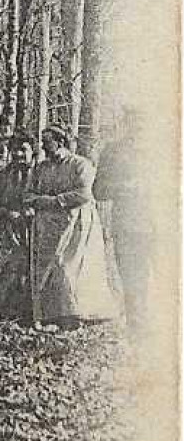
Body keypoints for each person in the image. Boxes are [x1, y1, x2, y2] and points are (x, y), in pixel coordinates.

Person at [25, 125, 118, 330]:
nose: (43, 146)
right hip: (45, 225)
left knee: (68, 266)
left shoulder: (80, 165)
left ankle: (73, 313)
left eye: (47, 142)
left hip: (74, 223)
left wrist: (55, 201)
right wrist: (39, 201)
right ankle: (49, 314)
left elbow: (85, 193)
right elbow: (28, 194)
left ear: (60, 142)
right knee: (47, 268)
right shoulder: (40, 168)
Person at [93, 110, 155, 332]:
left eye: (141, 125)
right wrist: (122, 188)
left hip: (163, 222)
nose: (137, 130)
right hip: (128, 224)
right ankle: (137, 331)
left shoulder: (163, 149)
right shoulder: (112, 152)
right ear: (125, 125)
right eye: (132, 124)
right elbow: (98, 190)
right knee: (130, 277)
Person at [0, 134, 37, 324]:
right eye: (15, 150)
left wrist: (32, 211)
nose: (18, 154)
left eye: (23, 150)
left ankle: (25, 316)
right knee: (1, 269)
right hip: (5, 227)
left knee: (26, 269)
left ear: (32, 151)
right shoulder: (1, 173)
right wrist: (7, 213)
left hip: (30, 228)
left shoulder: (39, 173)